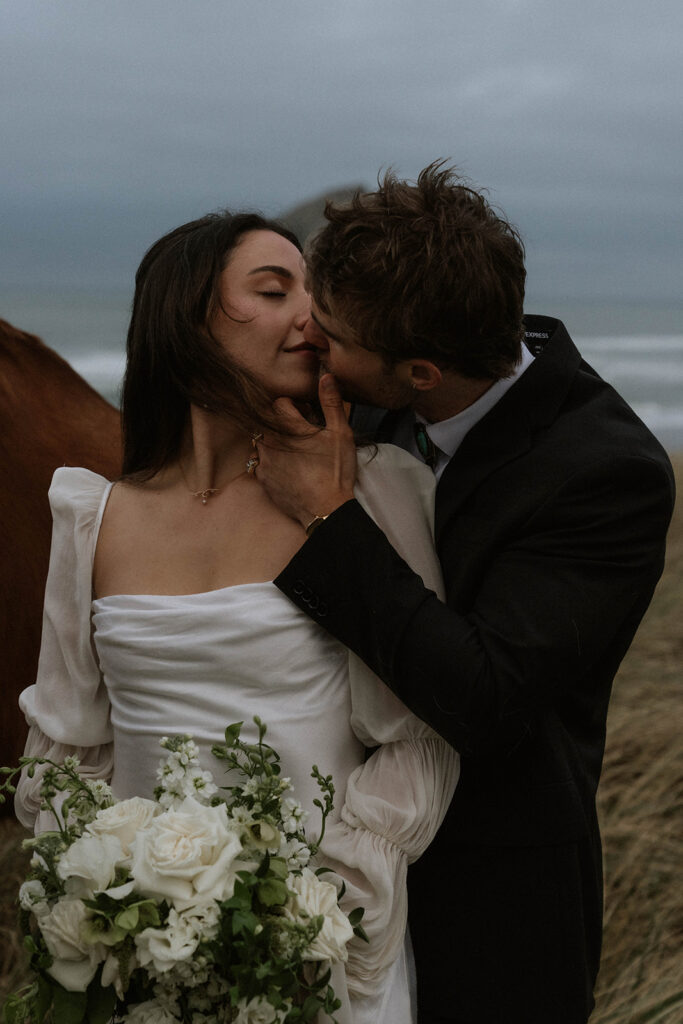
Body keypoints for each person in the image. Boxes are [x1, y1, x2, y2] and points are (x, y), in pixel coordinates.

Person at [253, 163, 676, 1024]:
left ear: (417, 373)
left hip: (493, 896)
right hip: (329, 862)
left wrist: (334, 522)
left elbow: (482, 696)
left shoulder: (608, 474)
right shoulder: (363, 395)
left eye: (330, 332)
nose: (310, 340)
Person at [15, 210, 460, 1024]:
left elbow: (415, 737)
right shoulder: (94, 516)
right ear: (187, 315)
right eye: (273, 288)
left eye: (312, 293)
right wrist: (102, 901)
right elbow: (72, 748)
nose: (309, 316)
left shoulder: (375, 492)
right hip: (143, 965)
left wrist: (314, 907)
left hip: (313, 958)